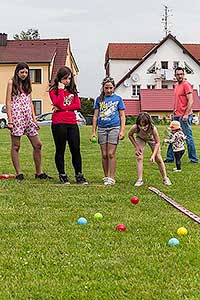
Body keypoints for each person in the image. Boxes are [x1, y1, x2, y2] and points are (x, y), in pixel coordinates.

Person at [6, 62, 52, 181]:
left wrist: (34, 119)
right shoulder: (11, 83)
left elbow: (30, 102)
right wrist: (10, 120)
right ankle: (19, 173)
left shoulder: (27, 84)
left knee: (38, 144)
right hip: (17, 118)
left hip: (28, 118)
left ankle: (39, 172)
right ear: (17, 72)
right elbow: (8, 102)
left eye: (26, 72)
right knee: (16, 146)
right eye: (22, 72)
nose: (24, 74)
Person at [49, 66, 88, 185]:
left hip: (72, 122)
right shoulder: (53, 91)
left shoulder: (73, 91)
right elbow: (57, 102)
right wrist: (61, 90)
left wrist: (63, 108)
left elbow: (77, 105)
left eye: (69, 78)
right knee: (60, 149)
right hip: (59, 123)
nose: (67, 81)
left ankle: (79, 174)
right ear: (59, 79)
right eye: (65, 78)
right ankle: (62, 174)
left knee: (75, 149)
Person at [92, 76, 125, 185]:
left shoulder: (118, 99)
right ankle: (106, 176)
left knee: (111, 153)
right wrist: (93, 131)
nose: (109, 90)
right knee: (104, 154)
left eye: (111, 88)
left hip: (114, 127)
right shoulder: (99, 99)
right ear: (103, 88)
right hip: (102, 128)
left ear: (114, 88)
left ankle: (112, 177)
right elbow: (95, 116)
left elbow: (122, 115)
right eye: (106, 88)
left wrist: (122, 131)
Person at [165, 67, 198, 163]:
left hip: (184, 116)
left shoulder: (186, 85)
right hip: (176, 115)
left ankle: (193, 159)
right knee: (172, 136)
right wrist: (173, 113)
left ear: (184, 75)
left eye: (181, 74)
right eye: (178, 74)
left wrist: (186, 114)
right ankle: (170, 158)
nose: (180, 76)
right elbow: (177, 101)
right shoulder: (176, 85)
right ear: (175, 75)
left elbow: (191, 100)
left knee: (187, 137)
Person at [128, 112, 172, 187]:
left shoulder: (153, 129)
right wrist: (136, 146)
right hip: (140, 138)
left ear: (149, 123)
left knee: (158, 158)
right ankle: (139, 180)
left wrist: (153, 155)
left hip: (152, 139)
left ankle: (165, 178)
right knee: (139, 157)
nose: (142, 128)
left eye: (145, 126)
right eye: (140, 126)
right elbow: (130, 135)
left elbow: (157, 142)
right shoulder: (135, 127)